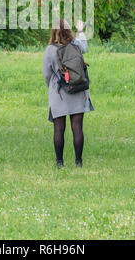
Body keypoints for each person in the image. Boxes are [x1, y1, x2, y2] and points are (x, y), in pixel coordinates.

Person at [43, 19, 94, 168]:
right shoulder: (76, 45)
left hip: (59, 93)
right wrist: (80, 30)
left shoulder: (50, 50)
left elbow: (47, 74)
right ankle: (78, 162)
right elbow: (85, 46)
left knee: (59, 129)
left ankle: (59, 163)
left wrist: (51, 87)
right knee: (77, 127)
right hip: (78, 90)